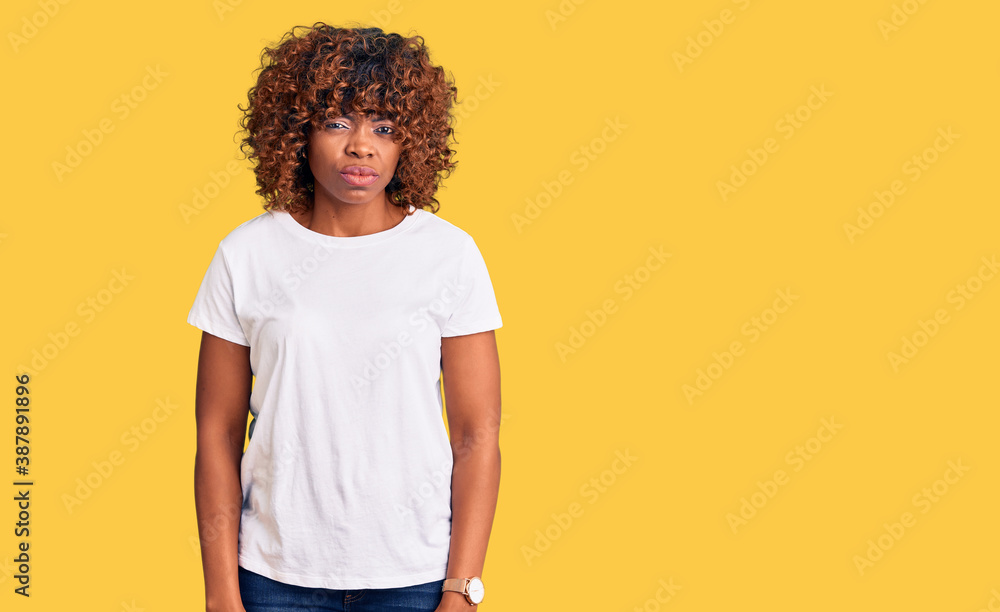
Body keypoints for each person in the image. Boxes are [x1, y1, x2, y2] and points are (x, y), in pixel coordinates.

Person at [187, 22, 503, 612]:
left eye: (385, 128)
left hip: (416, 577)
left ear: (412, 140)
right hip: (273, 578)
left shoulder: (448, 255)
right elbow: (217, 435)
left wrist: (462, 589)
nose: (362, 146)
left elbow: (476, 435)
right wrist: (220, 595)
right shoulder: (246, 254)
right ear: (295, 133)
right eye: (337, 122)